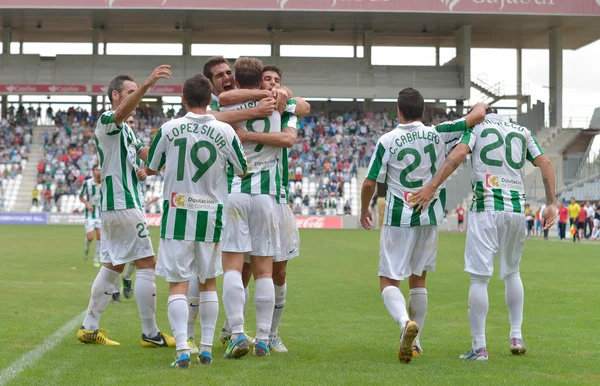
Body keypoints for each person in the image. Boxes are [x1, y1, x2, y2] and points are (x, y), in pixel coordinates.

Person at [410, 108, 556, 361]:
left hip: (486, 208)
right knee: (513, 272)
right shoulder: (522, 132)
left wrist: (432, 186)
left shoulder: (476, 128)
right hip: (515, 210)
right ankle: (516, 335)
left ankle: (479, 347)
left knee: (479, 279)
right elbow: (545, 162)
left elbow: (459, 153)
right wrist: (551, 203)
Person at [360, 87, 488, 363]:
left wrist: (363, 210)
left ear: (399, 111)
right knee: (418, 279)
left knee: (388, 279)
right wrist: (480, 105)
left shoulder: (387, 140)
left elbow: (370, 181)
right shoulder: (438, 132)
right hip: (429, 216)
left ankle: (406, 323)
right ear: (423, 111)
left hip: (398, 217)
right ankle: (415, 343)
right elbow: (476, 115)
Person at [145, 74, 248, 368]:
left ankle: (181, 349)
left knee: (177, 285)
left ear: (184, 99)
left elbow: (152, 166)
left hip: (177, 213)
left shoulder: (169, 127)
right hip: (211, 215)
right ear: (209, 99)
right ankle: (205, 349)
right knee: (208, 283)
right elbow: (242, 170)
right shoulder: (226, 131)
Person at [76, 66, 175, 348]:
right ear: (116, 95)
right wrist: (147, 85)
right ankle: (150, 333)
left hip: (115, 207)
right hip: (123, 204)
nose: (136, 97)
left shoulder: (128, 133)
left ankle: (89, 327)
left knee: (113, 265)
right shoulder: (108, 119)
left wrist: (168, 156)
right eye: (130, 93)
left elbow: (149, 155)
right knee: (147, 264)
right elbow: (122, 113)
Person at [218, 64, 306, 353]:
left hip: (236, 192)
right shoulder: (278, 106)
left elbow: (302, 107)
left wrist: (283, 92)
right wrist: (281, 96)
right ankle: (261, 337)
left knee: (234, 266)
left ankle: (241, 333)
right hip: (265, 195)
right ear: (259, 81)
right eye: (267, 80)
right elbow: (300, 109)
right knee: (262, 271)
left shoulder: (231, 106)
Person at [79, 163, 102, 268]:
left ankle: (96, 258)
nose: (98, 172)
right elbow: (81, 196)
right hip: (90, 214)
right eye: (96, 169)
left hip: (102, 214)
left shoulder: (105, 184)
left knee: (100, 236)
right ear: (93, 171)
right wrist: (87, 204)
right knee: (90, 237)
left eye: (100, 170)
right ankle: (87, 247)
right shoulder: (87, 183)